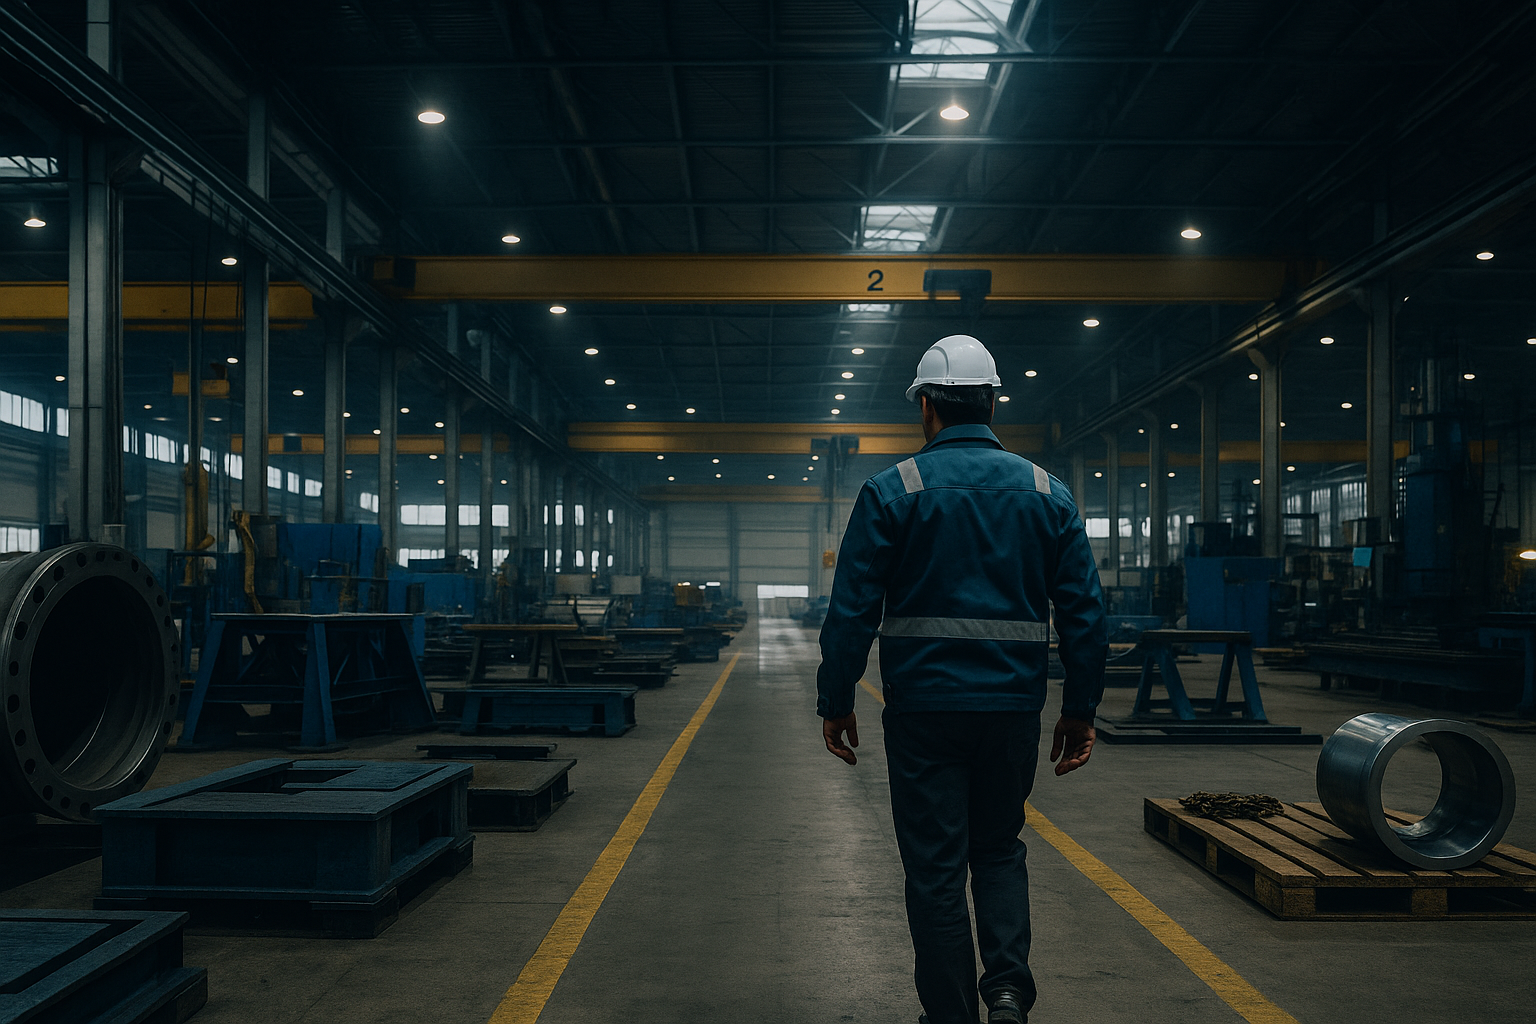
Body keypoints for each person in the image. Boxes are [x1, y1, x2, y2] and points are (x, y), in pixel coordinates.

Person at [815, 335, 1108, 1024]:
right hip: (1011, 710)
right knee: (999, 848)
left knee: (937, 870)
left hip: (924, 714)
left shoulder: (894, 490)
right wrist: (1081, 709)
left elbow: (851, 609)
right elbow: (1087, 614)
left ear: (926, 407)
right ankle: (1007, 995)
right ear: (992, 401)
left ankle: (951, 1016)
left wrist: (836, 700)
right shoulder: (1046, 492)